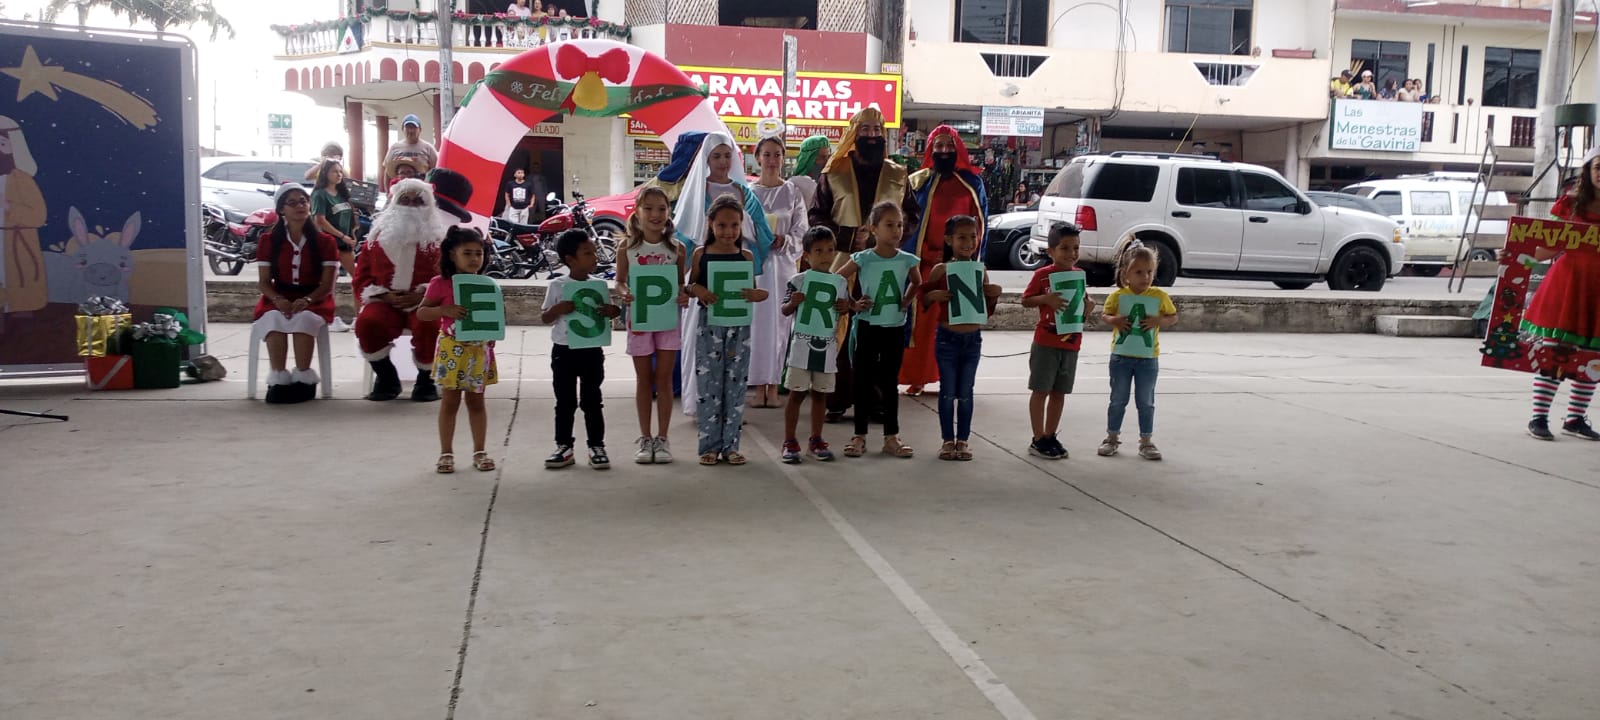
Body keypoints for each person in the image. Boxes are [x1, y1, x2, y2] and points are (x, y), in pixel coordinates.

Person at [810, 107, 922, 423]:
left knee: (878, 333)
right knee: (840, 331)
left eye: (876, 129)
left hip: (885, 265)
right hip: (842, 263)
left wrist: (884, 238)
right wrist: (847, 236)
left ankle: (874, 400)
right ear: (854, 133)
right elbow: (816, 215)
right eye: (865, 129)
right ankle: (836, 398)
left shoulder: (898, 174)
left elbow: (912, 215)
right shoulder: (833, 171)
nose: (872, 135)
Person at [671, 131, 776, 420]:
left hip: (735, 272)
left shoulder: (743, 192)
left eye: (727, 155)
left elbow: (759, 229)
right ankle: (700, 404)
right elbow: (684, 233)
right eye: (716, 156)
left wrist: (750, 232)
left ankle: (730, 407)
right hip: (705, 271)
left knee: (734, 344)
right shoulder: (697, 189)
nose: (722, 161)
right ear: (706, 159)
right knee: (702, 341)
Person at [681, 194, 770, 465]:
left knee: (736, 385)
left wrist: (758, 295)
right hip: (709, 328)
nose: (728, 231)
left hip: (739, 329)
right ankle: (709, 446)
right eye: (722, 225)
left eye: (734, 225)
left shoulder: (746, 256)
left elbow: (752, 289)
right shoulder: (701, 254)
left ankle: (731, 446)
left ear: (741, 225)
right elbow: (689, 286)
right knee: (709, 385)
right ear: (710, 223)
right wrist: (697, 289)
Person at [354, 177, 461, 402]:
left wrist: (423, 295)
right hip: (384, 300)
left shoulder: (441, 241)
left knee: (429, 325)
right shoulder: (375, 239)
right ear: (394, 202)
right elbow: (361, 277)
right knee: (368, 323)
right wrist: (384, 295)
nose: (411, 206)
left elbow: (449, 278)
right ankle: (386, 377)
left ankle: (426, 379)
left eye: (418, 201)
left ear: (429, 205)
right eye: (405, 200)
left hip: (425, 302)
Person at [900, 125, 987, 397]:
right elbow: (909, 224)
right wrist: (927, 254)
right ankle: (918, 377)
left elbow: (980, 224)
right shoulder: (918, 182)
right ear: (930, 149)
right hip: (925, 266)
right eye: (938, 146)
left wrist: (965, 259)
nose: (944, 151)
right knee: (922, 327)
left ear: (958, 149)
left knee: (956, 325)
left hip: (960, 266)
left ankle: (953, 380)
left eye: (950, 146)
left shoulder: (972, 184)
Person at [831, 201, 922, 459]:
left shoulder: (906, 259)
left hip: (894, 327)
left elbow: (917, 282)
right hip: (868, 326)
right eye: (889, 225)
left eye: (900, 225)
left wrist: (906, 300)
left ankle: (891, 436)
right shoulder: (864, 258)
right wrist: (852, 304)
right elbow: (838, 278)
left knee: (890, 382)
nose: (896, 230)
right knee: (862, 380)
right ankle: (859, 435)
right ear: (873, 228)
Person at [1522, 147, 1600, 441]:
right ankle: (1539, 417)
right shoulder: (1569, 204)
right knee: (1555, 352)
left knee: (1594, 355)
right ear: (1588, 170)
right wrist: (1516, 255)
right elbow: (1547, 249)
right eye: (1599, 167)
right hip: (1568, 286)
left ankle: (1575, 418)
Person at [614, 185, 689, 464]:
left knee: (664, 379)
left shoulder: (677, 248)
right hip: (640, 320)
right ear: (637, 212)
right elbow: (620, 281)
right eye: (649, 209)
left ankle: (663, 437)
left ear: (669, 212)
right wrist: (624, 293)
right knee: (644, 379)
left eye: (661, 209)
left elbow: (680, 284)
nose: (655, 214)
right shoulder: (627, 247)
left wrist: (683, 295)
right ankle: (645, 437)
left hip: (668, 320)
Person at [919, 215, 1001, 461]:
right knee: (947, 391)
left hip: (972, 340)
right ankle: (947, 440)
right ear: (949, 240)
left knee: (966, 391)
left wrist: (994, 295)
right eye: (962, 237)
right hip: (947, 339)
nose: (968, 242)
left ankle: (963, 440)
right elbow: (923, 298)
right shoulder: (941, 269)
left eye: (973, 237)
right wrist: (934, 295)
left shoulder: (980, 270)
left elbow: (985, 309)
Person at [419, 227, 499, 473]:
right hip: (452, 351)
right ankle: (446, 453)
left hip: (479, 351)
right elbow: (422, 312)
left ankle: (480, 451)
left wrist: (492, 331)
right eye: (467, 253)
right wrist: (443, 310)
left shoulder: (486, 283)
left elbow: (494, 314)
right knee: (450, 402)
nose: (474, 258)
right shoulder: (440, 284)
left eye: (479, 253)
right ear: (452, 254)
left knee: (477, 402)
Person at [541, 229, 621, 469]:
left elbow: (611, 312)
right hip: (563, 352)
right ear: (570, 259)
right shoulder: (557, 285)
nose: (594, 257)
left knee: (592, 400)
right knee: (565, 401)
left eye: (594, 252)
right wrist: (557, 310)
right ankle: (564, 446)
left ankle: (596, 445)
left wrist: (613, 311)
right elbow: (545, 317)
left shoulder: (599, 285)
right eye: (587, 253)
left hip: (591, 351)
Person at [253, 184, 339, 404]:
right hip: (279, 295)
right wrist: (277, 299)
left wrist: (308, 299)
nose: (300, 206)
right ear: (281, 209)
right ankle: (278, 378)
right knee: (273, 318)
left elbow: (327, 284)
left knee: (305, 318)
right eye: (292, 203)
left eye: (303, 201)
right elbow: (264, 282)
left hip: (315, 297)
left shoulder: (325, 242)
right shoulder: (269, 241)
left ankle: (304, 378)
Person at [779, 227, 856, 464]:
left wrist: (846, 307)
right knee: (796, 393)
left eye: (830, 250)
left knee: (821, 395)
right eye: (819, 251)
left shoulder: (840, 282)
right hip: (801, 348)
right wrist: (792, 303)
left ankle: (816, 439)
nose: (825, 255)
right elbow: (784, 310)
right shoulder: (798, 280)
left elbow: (847, 307)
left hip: (826, 348)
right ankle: (789, 441)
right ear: (807, 255)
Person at [1098, 241, 1179, 460]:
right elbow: (1105, 315)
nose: (1145, 277)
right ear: (1126, 274)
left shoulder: (1159, 296)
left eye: (1149, 272)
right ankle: (1111, 437)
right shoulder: (1117, 296)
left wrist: (1158, 321)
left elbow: (1173, 317)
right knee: (1118, 399)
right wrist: (1115, 320)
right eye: (1139, 272)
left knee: (1146, 402)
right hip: (1121, 357)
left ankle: (1146, 441)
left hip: (1147, 358)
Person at [1019, 223, 1094, 460]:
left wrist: (1088, 307)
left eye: (1075, 248)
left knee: (1059, 392)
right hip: (1046, 343)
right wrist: (1046, 299)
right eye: (1064, 248)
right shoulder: (1042, 275)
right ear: (1050, 251)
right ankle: (1037, 438)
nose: (1071, 253)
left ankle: (1050, 435)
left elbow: (1079, 306)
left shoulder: (1078, 275)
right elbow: (1026, 300)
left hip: (1071, 343)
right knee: (1041, 389)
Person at [749, 131, 810, 408]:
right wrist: (758, 240)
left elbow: (802, 229)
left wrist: (784, 240)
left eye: (777, 154)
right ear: (757, 158)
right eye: (767, 154)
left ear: (784, 158)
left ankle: (774, 384)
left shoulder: (792, 192)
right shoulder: (748, 193)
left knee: (780, 325)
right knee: (757, 326)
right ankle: (757, 385)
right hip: (757, 267)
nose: (772, 160)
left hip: (783, 266)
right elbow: (741, 226)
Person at [0, 115, 46, 318]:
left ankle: (18, 307)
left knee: (16, 274)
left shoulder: (22, 179)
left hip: (15, 240)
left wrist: (9, 206)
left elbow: (38, 216)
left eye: (2, 144)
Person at [309, 160, 359, 284]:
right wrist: (341, 236)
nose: (339, 174)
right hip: (328, 243)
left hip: (345, 243)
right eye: (335, 171)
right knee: (329, 278)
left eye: (340, 171)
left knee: (357, 277)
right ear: (325, 173)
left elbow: (350, 217)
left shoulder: (342, 193)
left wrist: (352, 235)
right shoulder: (319, 194)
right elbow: (320, 220)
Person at [381, 114, 438, 187]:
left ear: (420, 129)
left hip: (421, 189)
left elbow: (435, 171)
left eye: (414, 127)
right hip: (399, 189)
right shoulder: (394, 147)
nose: (411, 131)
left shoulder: (428, 148)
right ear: (402, 129)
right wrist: (387, 192)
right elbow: (387, 172)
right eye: (407, 127)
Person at [788, 134, 832, 210]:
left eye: (828, 157)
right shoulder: (795, 184)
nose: (827, 162)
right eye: (823, 157)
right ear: (809, 159)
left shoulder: (827, 183)